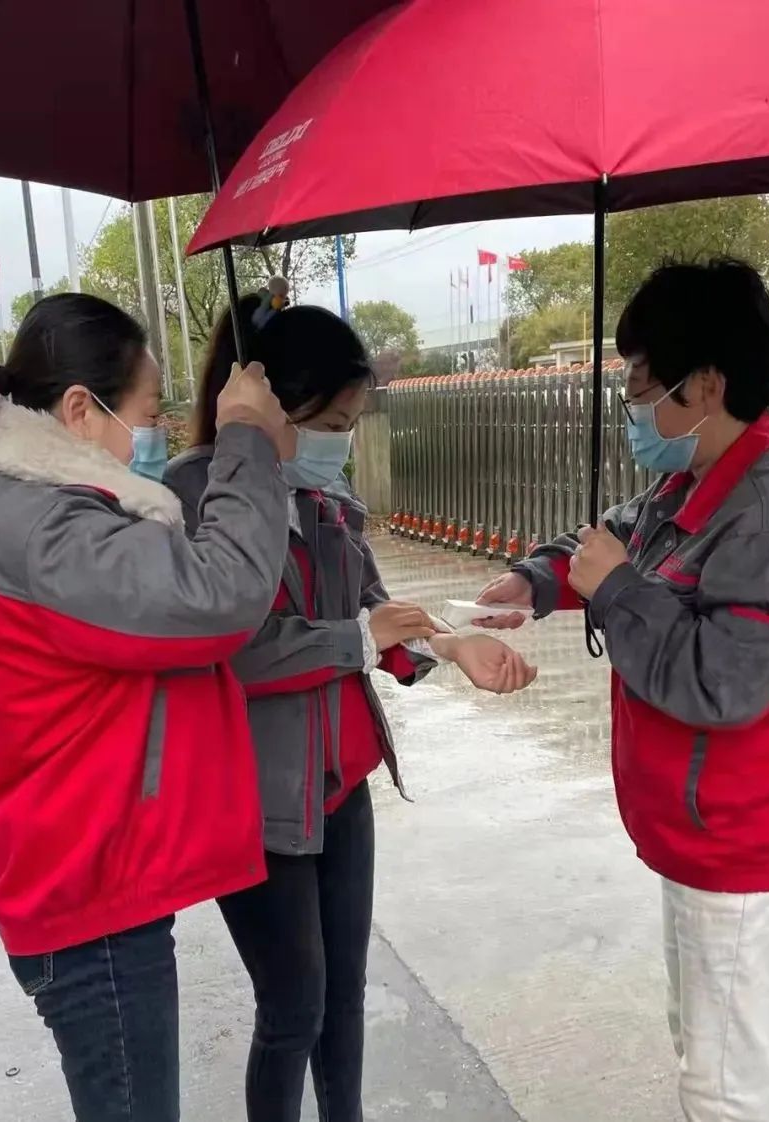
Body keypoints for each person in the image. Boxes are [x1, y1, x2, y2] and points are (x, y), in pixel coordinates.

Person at [477, 259, 769, 1122]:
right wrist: (538, 581)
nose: (632, 406)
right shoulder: (695, 485)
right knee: (707, 1055)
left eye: (642, 385)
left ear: (708, 385)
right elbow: (615, 541)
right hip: (703, 839)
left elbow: (721, 684)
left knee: (729, 1093)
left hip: (749, 847)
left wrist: (617, 592)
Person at [0, 292, 295, 1122]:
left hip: (87, 884)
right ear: (81, 409)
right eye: (146, 414)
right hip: (86, 900)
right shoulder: (53, 529)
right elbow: (219, 598)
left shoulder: (41, 512)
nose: (150, 436)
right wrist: (247, 442)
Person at [165, 288, 536, 1122]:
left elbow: (373, 611)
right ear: (274, 404)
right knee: (292, 1008)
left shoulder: (328, 501)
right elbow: (232, 650)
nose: (341, 443)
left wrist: (449, 644)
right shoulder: (194, 497)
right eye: (332, 424)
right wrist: (356, 638)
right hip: (257, 802)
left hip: (340, 788)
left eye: (351, 424)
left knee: (344, 999)